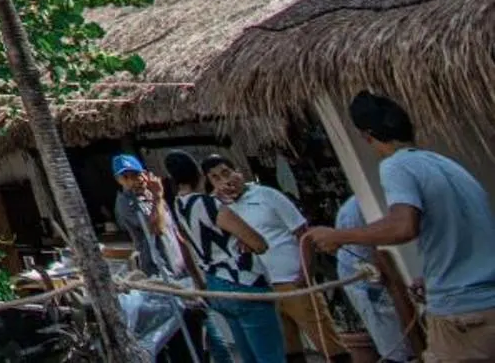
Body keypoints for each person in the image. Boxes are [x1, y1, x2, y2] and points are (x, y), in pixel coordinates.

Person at [307, 93, 495, 363]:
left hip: (462, 314)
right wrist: (430, 278)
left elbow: (403, 226)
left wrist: (339, 236)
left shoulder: (396, 165)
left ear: (367, 136)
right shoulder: (445, 164)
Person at [209, 158, 339, 361]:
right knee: (288, 351)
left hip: (292, 280)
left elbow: (302, 232)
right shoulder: (219, 210)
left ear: (238, 172)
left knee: (327, 343)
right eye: (215, 178)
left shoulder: (267, 195)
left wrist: (306, 272)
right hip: (262, 287)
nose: (224, 181)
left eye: (226, 173)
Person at [172, 150, 289, 363]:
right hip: (243, 281)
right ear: (200, 176)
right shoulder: (209, 204)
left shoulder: (178, 205)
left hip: (216, 283)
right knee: (270, 356)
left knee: (247, 355)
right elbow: (259, 243)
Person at [334, 193, 416, 363]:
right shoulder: (356, 208)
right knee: (391, 339)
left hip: (376, 274)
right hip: (365, 279)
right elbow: (361, 256)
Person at [118, 153, 189, 282]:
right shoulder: (126, 203)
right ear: (119, 180)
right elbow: (157, 229)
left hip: (179, 264)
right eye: (125, 177)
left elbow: (174, 229)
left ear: (145, 174)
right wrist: (158, 198)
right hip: (159, 271)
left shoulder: (153, 194)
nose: (132, 181)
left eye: (135, 175)